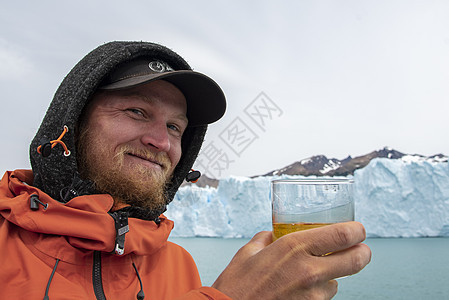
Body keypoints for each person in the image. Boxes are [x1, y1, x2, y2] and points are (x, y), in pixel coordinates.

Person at [0, 41, 371, 299]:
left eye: (176, 127)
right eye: (137, 112)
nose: (161, 141)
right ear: (70, 120)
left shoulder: (178, 265)